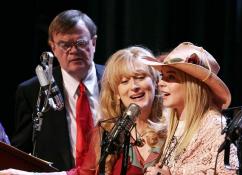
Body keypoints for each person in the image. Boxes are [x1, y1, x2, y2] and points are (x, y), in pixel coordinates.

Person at [0, 46, 166, 175]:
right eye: (124, 81)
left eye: (140, 77)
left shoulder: (174, 126)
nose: (134, 87)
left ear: (155, 82)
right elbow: (82, 173)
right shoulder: (107, 132)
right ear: (116, 93)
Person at [10, 9, 104, 171]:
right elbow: (22, 151)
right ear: (53, 47)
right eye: (65, 45)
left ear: (93, 43)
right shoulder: (32, 91)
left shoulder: (117, 81)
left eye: (80, 43)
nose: (74, 50)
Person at [143, 42, 238, 174]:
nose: (160, 83)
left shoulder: (214, 127)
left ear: (192, 84)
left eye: (171, 77)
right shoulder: (172, 122)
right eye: (162, 76)